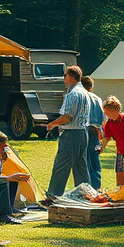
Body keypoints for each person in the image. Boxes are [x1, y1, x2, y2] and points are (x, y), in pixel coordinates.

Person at [43, 65, 91, 202]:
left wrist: (53, 124)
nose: (64, 79)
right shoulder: (85, 93)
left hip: (71, 134)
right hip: (82, 133)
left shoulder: (73, 93)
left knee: (62, 164)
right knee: (80, 166)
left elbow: (68, 116)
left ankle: (53, 196)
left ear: (70, 76)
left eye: (65, 76)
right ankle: (86, 195)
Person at [81, 74, 105, 191]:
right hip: (96, 132)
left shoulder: (81, 97)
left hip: (84, 131)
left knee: (84, 161)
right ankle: (96, 187)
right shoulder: (98, 99)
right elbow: (103, 117)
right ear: (91, 86)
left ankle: (86, 188)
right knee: (95, 162)